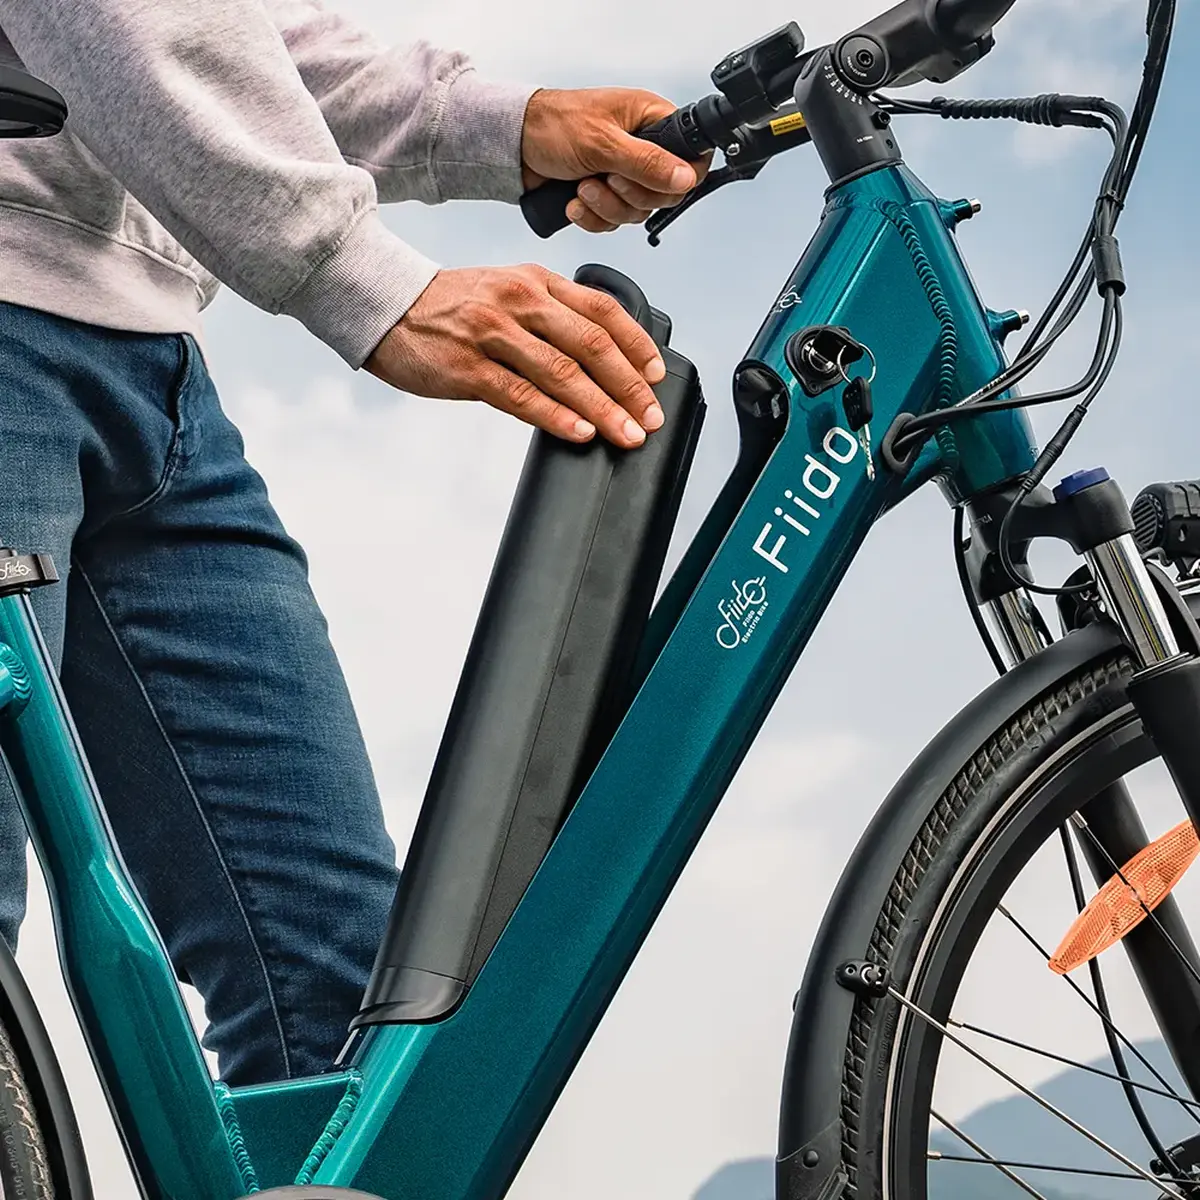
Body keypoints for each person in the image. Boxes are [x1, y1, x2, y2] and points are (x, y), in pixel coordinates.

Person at [0, 0, 707, 1086]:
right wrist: (366, 278)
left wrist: (504, 124)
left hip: (154, 369)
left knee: (332, 984)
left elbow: (222, 39)